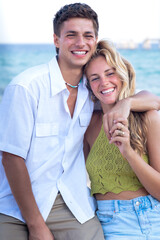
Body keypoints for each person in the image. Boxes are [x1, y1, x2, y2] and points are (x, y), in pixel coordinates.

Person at [0, 3, 160, 240]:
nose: (80, 43)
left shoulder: (109, 99)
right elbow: (11, 157)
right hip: (32, 206)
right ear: (56, 40)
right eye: (71, 35)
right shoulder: (32, 89)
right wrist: (36, 226)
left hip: (111, 209)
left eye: (88, 35)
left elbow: (151, 100)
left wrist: (127, 107)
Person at [84, 39, 160, 239]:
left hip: (153, 217)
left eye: (110, 73)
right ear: (89, 85)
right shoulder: (89, 125)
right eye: (95, 78)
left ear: (122, 74)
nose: (104, 82)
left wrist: (128, 151)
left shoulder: (148, 118)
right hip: (109, 223)